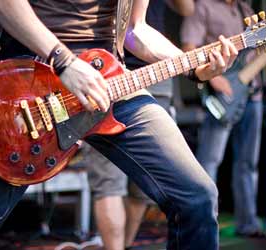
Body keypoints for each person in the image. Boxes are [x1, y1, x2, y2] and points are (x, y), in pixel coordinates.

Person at [0, 0, 238, 249]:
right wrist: (64, 61)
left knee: (196, 197)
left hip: (109, 82)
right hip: (30, 85)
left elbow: (135, 31)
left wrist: (193, 66)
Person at [84, 1, 195, 249]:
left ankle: (123, 245)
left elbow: (185, 9)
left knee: (144, 188)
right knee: (109, 182)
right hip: (101, 71)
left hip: (156, 69)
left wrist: (193, 64)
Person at [181, 0, 265, 238]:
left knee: (248, 163)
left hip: (253, 93)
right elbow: (188, 47)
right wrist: (214, 79)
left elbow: (256, 47)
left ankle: (248, 223)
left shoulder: (246, 10)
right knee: (210, 161)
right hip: (222, 94)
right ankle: (206, 224)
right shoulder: (203, 7)